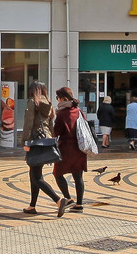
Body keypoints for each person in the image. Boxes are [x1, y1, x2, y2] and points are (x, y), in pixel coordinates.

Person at [22, 85, 61, 215]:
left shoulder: (33, 102)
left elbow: (29, 122)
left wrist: (25, 141)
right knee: (35, 174)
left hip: (35, 141)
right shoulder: (48, 104)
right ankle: (32, 206)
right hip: (45, 141)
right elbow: (51, 125)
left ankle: (59, 201)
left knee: (36, 176)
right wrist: (52, 142)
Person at [51, 87, 89, 216]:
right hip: (80, 148)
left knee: (57, 173)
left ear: (63, 98)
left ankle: (68, 199)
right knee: (78, 176)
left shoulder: (61, 114)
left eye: (58, 98)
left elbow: (56, 132)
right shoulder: (79, 111)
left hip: (66, 148)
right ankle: (79, 204)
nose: (57, 100)